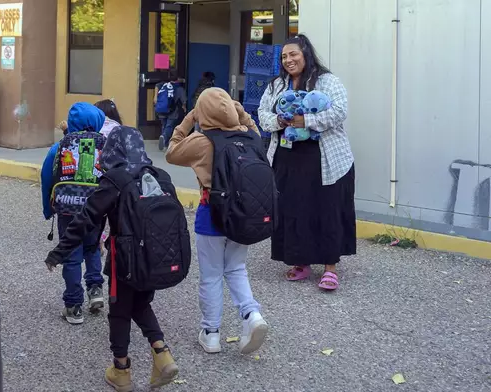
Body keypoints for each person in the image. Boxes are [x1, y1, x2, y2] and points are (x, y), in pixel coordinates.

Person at [45, 126, 179, 392]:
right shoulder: (160, 176)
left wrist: (59, 253)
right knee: (140, 303)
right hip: (154, 257)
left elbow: (85, 219)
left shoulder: (115, 179)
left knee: (119, 311)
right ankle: (162, 354)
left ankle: (121, 371)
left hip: (125, 258)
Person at [166, 87, 269, 355]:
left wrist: (189, 119)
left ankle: (211, 333)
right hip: (243, 214)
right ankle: (251, 315)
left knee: (211, 275)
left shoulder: (202, 141)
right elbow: (252, 125)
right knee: (236, 268)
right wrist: (240, 112)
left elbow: (172, 151)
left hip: (211, 213)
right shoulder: (251, 138)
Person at [257, 34, 356, 290]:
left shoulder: (327, 81)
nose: (289, 60)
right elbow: (262, 114)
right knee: (293, 210)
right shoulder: (277, 85)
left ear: (306, 54)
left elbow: (339, 111)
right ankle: (300, 262)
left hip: (325, 158)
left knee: (327, 210)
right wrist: (280, 121)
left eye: (294, 54)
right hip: (287, 158)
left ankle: (330, 267)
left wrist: (305, 121)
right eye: (284, 56)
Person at [40, 102, 107, 324]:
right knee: (92, 248)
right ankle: (95, 289)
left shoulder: (60, 146)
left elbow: (47, 178)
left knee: (71, 255)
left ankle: (73, 306)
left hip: (68, 210)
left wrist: (49, 209)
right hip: (95, 210)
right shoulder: (104, 145)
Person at [154, 71, 186, 151]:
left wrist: (155, 97)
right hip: (172, 111)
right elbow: (183, 101)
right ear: (178, 79)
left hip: (161, 109)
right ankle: (164, 137)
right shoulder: (179, 88)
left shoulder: (164, 85)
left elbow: (157, 85)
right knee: (169, 126)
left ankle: (164, 143)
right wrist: (184, 107)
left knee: (164, 125)